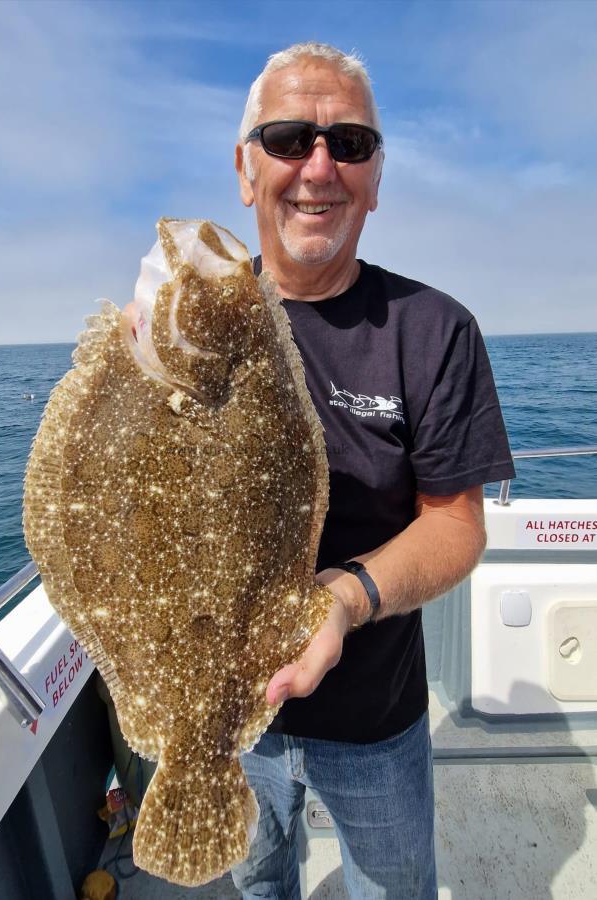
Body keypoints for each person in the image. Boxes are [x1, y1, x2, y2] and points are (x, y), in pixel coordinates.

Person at [230, 42, 516, 900]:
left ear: (376, 180)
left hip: (375, 722)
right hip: (229, 714)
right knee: (254, 883)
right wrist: (130, 358)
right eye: (288, 139)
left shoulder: (432, 330)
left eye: (348, 144)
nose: (318, 167)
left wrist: (342, 598)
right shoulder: (190, 329)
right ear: (246, 170)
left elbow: (457, 522)